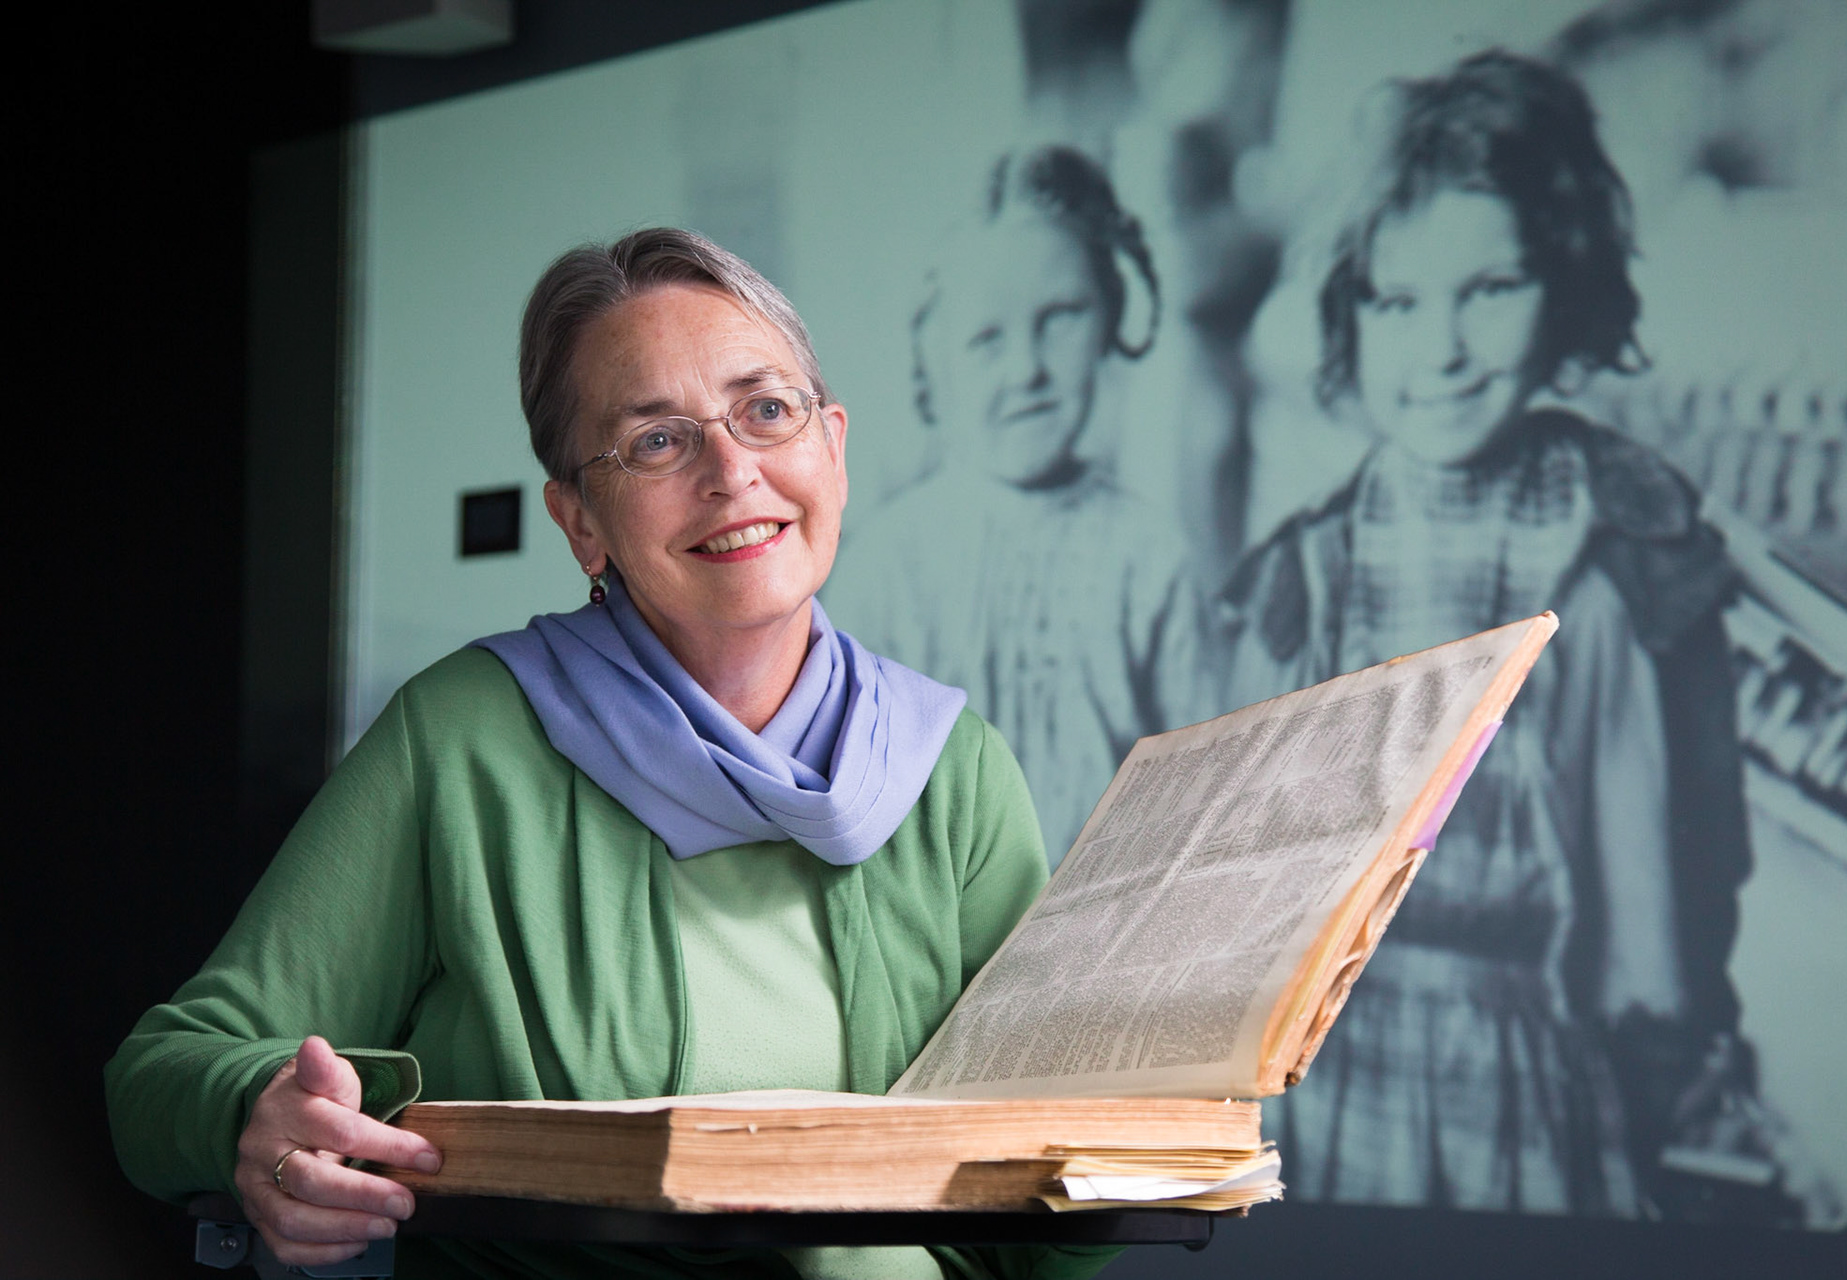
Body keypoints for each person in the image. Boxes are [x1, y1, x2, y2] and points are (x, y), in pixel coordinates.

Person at [106, 229, 1119, 1279]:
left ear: (834, 448)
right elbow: (164, 1071)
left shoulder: (952, 765)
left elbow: (1037, 1208)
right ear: (581, 521)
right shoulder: (464, 739)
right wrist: (254, 1114)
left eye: (767, 411)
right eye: (657, 442)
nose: (733, 472)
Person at [1171, 51, 1754, 1215]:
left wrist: (1652, 1064)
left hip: (1528, 1083)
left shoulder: (1606, 565)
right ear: (1351, 312)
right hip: (1318, 1097)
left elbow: (1658, 925)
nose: (1439, 350)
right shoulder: (1302, 577)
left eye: (1489, 289)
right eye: (1397, 301)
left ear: (1566, 288)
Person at [830, 145, 1180, 866]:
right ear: (933, 360)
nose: (1027, 370)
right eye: (986, 338)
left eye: (1061, 318)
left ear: (1110, 318)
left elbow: (1211, 793)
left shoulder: (1152, 555)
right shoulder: (888, 565)